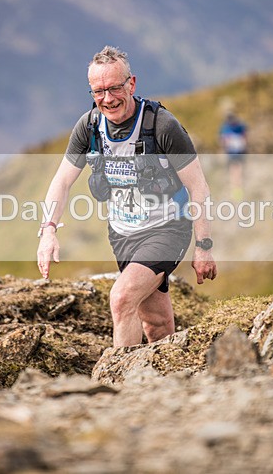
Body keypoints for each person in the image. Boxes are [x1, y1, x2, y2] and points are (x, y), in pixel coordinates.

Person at [37, 46, 217, 347]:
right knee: (155, 323)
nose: (108, 99)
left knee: (121, 298)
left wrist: (203, 247)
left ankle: (121, 382)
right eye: (99, 91)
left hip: (167, 229)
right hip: (122, 235)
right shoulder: (89, 126)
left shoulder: (162, 126)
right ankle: (168, 378)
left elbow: (199, 188)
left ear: (131, 84)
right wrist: (48, 231)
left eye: (115, 88)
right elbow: (62, 181)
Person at [219, 108, 248, 201]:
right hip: (233, 153)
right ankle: (237, 192)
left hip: (237, 153)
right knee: (236, 173)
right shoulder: (227, 127)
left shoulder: (229, 127)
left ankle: (237, 192)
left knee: (236, 173)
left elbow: (223, 140)